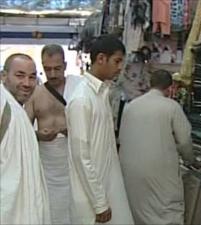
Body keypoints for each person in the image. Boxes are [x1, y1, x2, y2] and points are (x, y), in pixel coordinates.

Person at [65, 35, 134, 224]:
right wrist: (99, 202)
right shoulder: (82, 99)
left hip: (107, 186)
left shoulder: (102, 94)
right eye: (117, 61)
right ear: (101, 59)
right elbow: (81, 156)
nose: (120, 67)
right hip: (90, 198)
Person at [119, 69, 195, 225]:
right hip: (159, 173)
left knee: (139, 210)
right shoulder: (171, 107)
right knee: (166, 212)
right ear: (170, 87)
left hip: (130, 171)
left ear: (149, 84)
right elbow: (185, 141)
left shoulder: (131, 106)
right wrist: (190, 160)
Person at [25, 44, 82, 224]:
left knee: (74, 203)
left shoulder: (79, 90)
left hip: (72, 158)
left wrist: (73, 130)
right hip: (47, 161)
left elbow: (91, 125)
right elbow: (24, 131)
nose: (52, 74)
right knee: (48, 204)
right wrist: (39, 135)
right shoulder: (35, 94)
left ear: (65, 66)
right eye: (47, 69)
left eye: (57, 68)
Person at [0, 53, 51, 224]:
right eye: (20, 75)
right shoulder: (2, 104)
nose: (27, 83)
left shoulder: (16, 109)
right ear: (4, 76)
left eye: (32, 77)